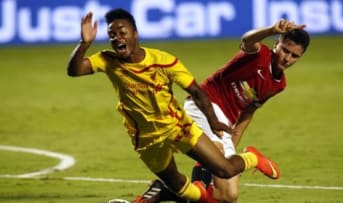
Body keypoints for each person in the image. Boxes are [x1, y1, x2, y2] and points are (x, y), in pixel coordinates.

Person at [67, 8, 280, 203]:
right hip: (146, 139)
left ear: (135, 33)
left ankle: (253, 158)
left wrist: (213, 121)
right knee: (180, 187)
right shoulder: (108, 60)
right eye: (112, 35)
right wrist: (84, 44)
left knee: (224, 170)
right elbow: (74, 70)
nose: (117, 38)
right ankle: (191, 195)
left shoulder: (163, 61)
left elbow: (197, 91)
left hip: (178, 127)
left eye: (122, 32)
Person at [136, 19, 310, 203]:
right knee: (218, 156)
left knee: (227, 195)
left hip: (224, 123)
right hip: (205, 105)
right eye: (285, 50)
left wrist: (232, 147)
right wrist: (271, 30)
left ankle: (164, 190)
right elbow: (247, 40)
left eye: (294, 56)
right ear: (276, 44)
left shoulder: (278, 85)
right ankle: (252, 159)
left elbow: (248, 111)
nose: (287, 58)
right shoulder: (259, 55)